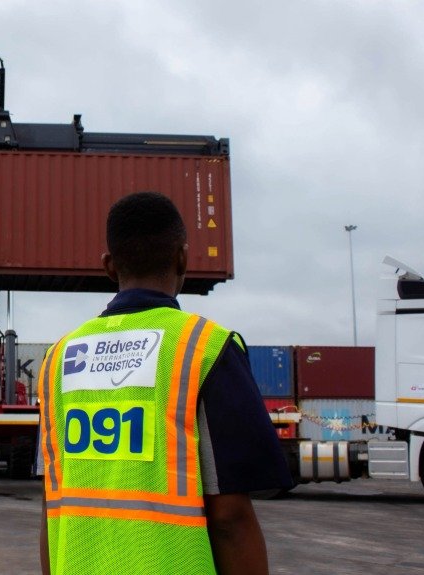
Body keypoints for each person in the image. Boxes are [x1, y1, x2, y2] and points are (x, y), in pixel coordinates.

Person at [38, 192, 293, 575]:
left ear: (109, 266)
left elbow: (50, 510)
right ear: (182, 258)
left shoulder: (58, 359)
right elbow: (230, 518)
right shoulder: (206, 349)